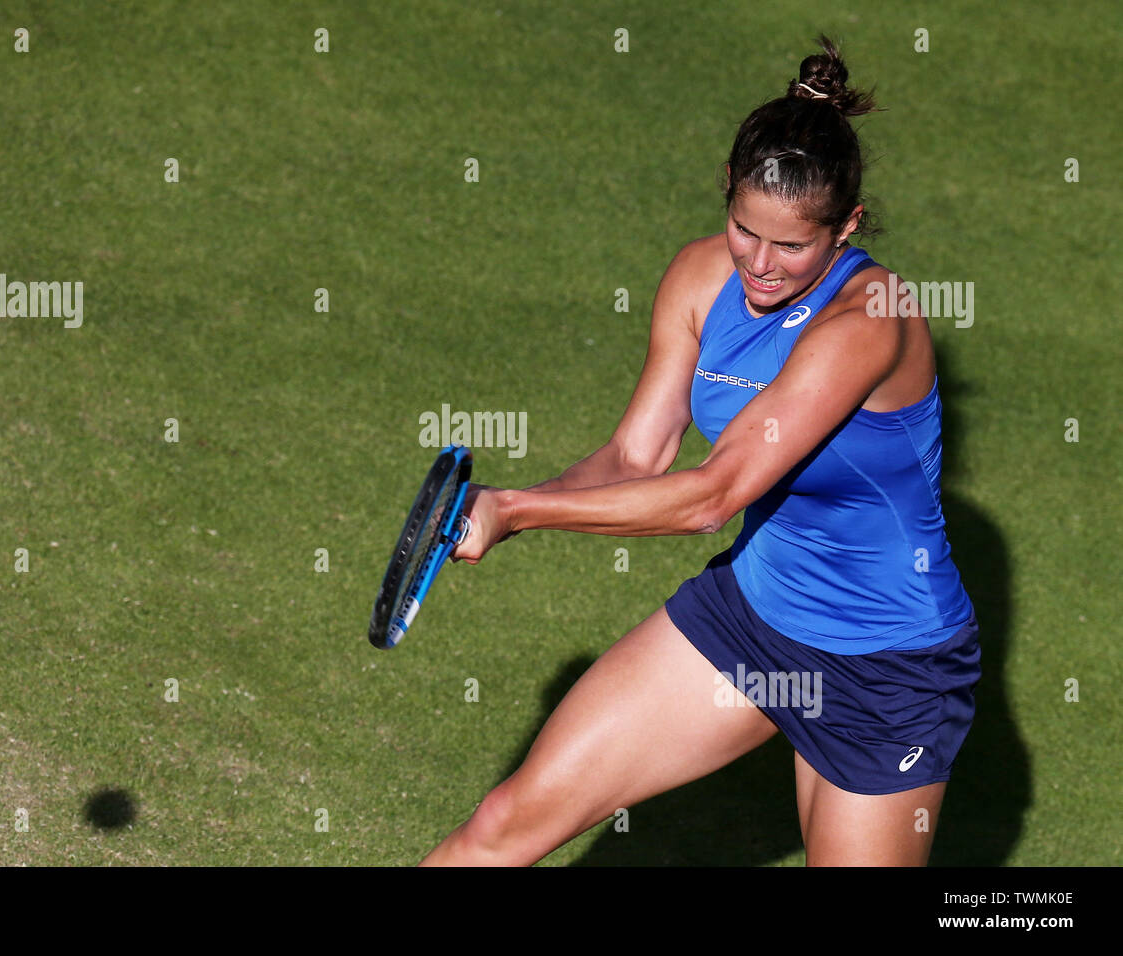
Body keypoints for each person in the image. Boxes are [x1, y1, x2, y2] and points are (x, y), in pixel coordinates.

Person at [420, 36, 980, 867]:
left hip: (886, 671)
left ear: (847, 227)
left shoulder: (872, 319)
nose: (760, 265)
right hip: (751, 620)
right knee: (503, 826)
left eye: (791, 247)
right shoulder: (697, 278)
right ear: (727, 194)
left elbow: (713, 496)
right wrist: (501, 496)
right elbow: (638, 456)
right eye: (744, 230)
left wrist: (521, 512)